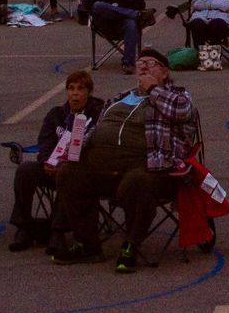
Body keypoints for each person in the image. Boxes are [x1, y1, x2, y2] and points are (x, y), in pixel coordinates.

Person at [50, 48, 200, 274]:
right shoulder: (120, 97)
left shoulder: (179, 96)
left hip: (150, 168)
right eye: (140, 64)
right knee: (68, 173)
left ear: (165, 72)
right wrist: (77, 146)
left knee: (137, 181)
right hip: (103, 168)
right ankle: (88, 244)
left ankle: (131, 244)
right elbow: (98, 127)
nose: (144, 68)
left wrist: (153, 89)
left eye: (150, 64)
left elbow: (181, 112)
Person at [9, 69, 104, 251]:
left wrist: (64, 164)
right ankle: (23, 226)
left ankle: (57, 231)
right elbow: (45, 141)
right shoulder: (56, 115)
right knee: (25, 170)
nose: (75, 93)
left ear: (88, 92)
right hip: (52, 166)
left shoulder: (97, 116)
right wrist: (47, 161)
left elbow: (96, 147)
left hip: (79, 171)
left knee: (66, 174)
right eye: (71, 88)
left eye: (80, 89)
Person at [85, 0, 148, 72]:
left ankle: (128, 63)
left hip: (123, 27)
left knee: (131, 23)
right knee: (98, 5)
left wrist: (118, 12)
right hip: (105, 25)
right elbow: (88, 5)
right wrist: (127, 12)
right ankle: (130, 13)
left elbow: (141, 6)